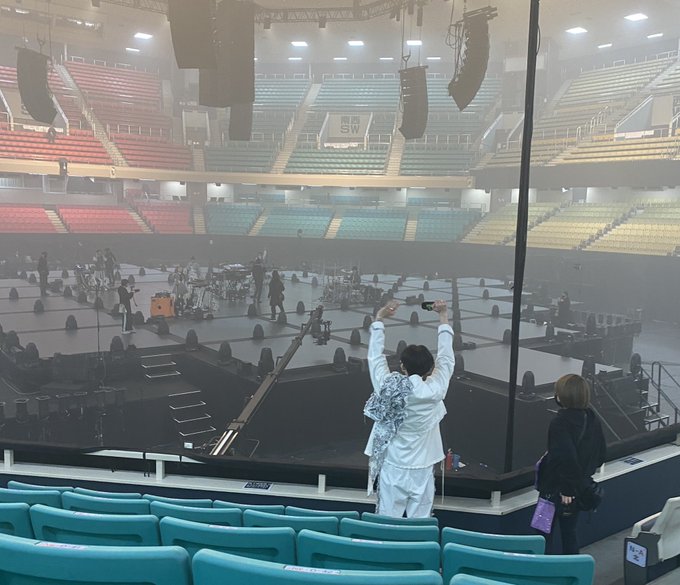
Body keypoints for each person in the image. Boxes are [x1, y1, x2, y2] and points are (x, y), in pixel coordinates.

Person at [364, 299, 454, 518]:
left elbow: (375, 359)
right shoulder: (436, 389)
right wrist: (443, 316)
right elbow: (446, 359)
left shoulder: (388, 387)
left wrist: (379, 319)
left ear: (402, 366)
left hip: (393, 465)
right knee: (420, 524)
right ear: (431, 369)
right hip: (422, 468)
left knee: (387, 522)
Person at [535, 374, 606, 554]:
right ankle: (573, 569)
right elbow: (600, 455)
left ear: (561, 397)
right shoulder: (593, 419)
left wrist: (567, 489)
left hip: (554, 491)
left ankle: (540, 569)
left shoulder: (560, 423)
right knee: (569, 533)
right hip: (579, 488)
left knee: (542, 534)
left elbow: (565, 457)